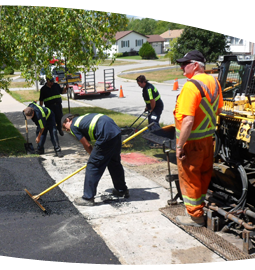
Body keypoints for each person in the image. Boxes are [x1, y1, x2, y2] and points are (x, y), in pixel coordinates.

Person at [173, 50, 223, 227]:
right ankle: (199, 207)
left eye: (184, 63)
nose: (181, 67)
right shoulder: (215, 83)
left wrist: (179, 146)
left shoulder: (191, 86)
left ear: (195, 65)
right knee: (203, 175)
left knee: (189, 177)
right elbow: (217, 110)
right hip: (208, 141)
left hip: (191, 144)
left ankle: (195, 216)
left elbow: (188, 120)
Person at [61, 113, 129, 206]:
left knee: (93, 166)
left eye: (65, 126)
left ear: (68, 120)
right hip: (115, 132)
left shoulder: (74, 125)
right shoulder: (83, 118)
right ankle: (121, 190)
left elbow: (87, 145)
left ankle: (88, 198)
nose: (67, 130)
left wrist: (94, 158)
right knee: (114, 163)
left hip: (106, 134)